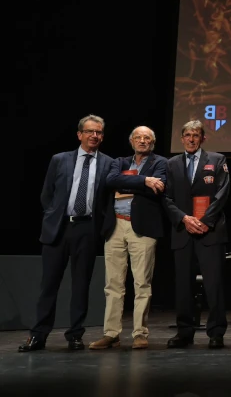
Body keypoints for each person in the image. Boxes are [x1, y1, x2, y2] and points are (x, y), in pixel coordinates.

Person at [19, 115, 113, 352]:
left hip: (87, 229)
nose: (95, 136)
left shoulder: (108, 163)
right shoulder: (59, 160)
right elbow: (46, 194)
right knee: (48, 285)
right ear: (79, 134)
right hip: (59, 228)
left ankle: (75, 335)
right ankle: (38, 335)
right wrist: (53, 215)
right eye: (90, 131)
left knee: (81, 285)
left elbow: (107, 199)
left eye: (99, 132)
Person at [89, 126, 168, 350]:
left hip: (142, 228)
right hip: (115, 226)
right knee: (113, 284)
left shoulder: (160, 162)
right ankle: (111, 333)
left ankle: (140, 333)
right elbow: (111, 181)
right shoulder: (120, 161)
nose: (142, 141)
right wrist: (144, 182)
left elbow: (159, 187)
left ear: (152, 142)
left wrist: (134, 182)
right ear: (131, 141)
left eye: (147, 138)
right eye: (138, 137)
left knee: (142, 283)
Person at [163, 120, 231, 349]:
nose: (191, 139)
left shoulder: (217, 159)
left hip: (209, 232)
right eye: (187, 135)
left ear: (203, 138)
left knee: (214, 285)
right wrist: (185, 219)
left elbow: (222, 194)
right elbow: (166, 198)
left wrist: (204, 221)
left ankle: (216, 332)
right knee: (183, 286)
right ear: (181, 138)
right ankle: (185, 332)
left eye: (196, 135)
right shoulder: (171, 164)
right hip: (183, 231)